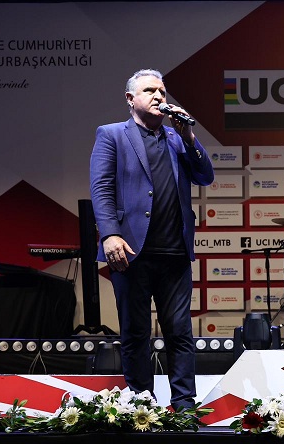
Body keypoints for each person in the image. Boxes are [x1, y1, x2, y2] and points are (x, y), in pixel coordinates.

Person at [90, 69, 214, 410]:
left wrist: (190, 137)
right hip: (130, 252)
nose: (159, 96)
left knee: (180, 332)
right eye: (150, 90)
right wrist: (110, 234)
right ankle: (142, 405)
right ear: (131, 99)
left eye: (162, 90)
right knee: (135, 332)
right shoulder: (112, 135)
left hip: (175, 252)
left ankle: (184, 406)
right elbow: (101, 189)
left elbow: (205, 176)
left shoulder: (177, 138)